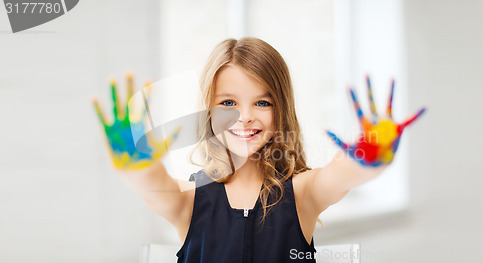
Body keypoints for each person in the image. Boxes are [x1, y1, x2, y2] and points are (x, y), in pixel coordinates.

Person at [92, 37, 425, 263]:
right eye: (228, 103)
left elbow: (342, 174)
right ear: (209, 111)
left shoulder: (304, 193)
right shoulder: (188, 198)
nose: (245, 116)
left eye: (262, 102)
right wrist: (135, 162)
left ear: (281, 108)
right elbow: (151, 186)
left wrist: (369, 155)